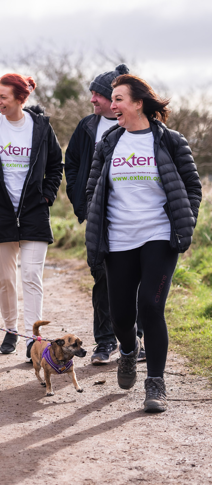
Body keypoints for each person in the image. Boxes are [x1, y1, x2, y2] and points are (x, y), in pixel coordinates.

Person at [86, 74, 202, 412]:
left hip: (159, 235)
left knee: (150, 307)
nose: (113, 104)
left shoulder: (170, 141)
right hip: (119, 238)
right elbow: (95, 188)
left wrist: (184, 222)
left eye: (119, 98)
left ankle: (155, 384)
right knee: (121, 317)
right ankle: (126, 350)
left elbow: (192, 187)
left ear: (138, 103)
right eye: (113, 99)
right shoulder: (109, 142)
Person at [0, 73, 63, 360]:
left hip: (34, 212)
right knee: (5, 280)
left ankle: (33, 339)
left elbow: (56, 164)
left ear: (21, 98)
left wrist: (46, 195)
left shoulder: (41, 127)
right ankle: (11, 328)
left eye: (3, 97)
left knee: (32, 276)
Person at [65, 64, 146, 365]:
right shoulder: (88, 126)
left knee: (138, 282)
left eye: (97, 95)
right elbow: (71, 162)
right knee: (102, 280)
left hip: (135, 219)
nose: (93, 101)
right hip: (100, 220)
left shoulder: (142, 127)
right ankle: (104, 342)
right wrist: (80, 200)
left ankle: (137, 341)